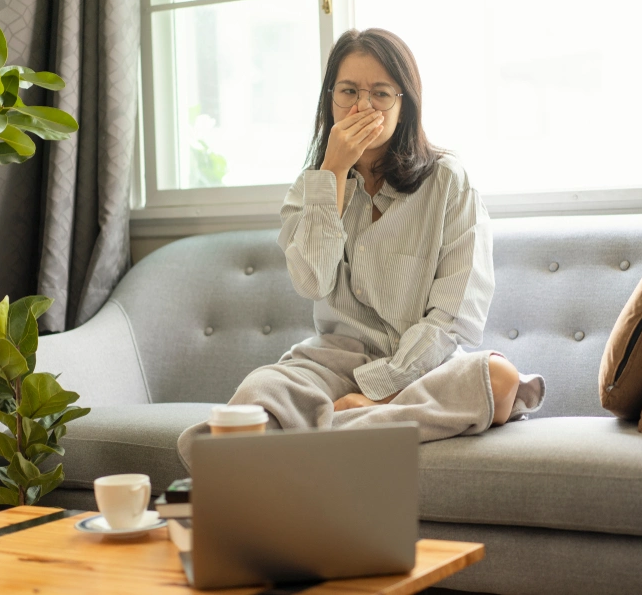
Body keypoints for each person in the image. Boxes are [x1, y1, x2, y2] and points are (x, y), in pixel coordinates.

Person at [177, 28, 544, 464]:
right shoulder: (307, 188)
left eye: (381, 94)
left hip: (423, 366)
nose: (362, 106)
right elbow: (312, 280)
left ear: (404, 104)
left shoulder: (449, 181)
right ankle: (344, 428)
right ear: (329, 99)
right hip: (331, 366)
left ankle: (318, 431)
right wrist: (332, 171)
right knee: (259, 392)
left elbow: (453, 319)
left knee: (499, 380)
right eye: (348, 91)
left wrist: (379, 393)